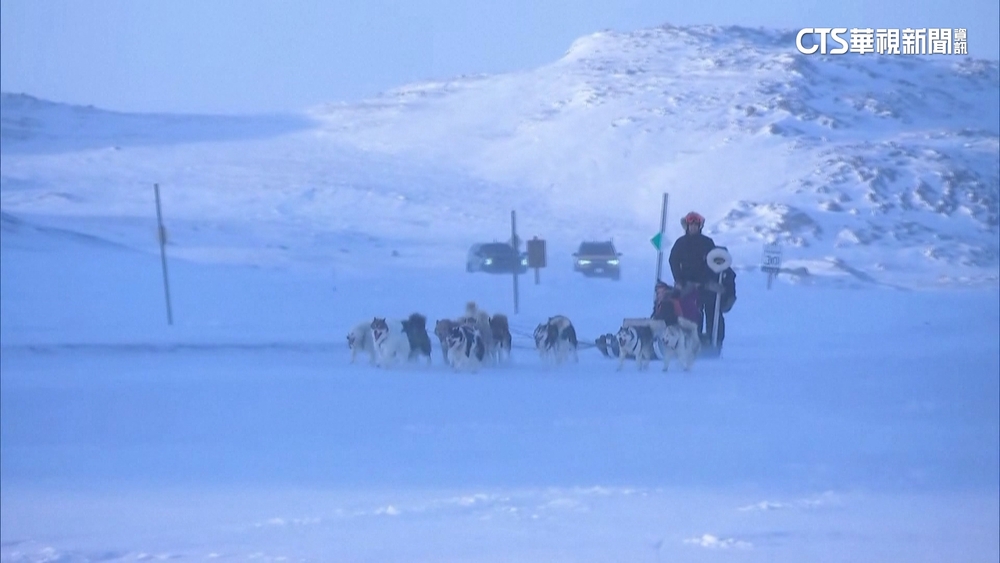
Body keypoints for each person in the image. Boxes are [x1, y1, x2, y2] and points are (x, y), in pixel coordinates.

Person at [668, 211, 717, 341]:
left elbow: (714, 262)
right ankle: (691, 340)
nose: (693, 227)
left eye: (696, 225)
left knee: (711, 312)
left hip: (705, 285)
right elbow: (673, 261)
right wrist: (678, 280)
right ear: (687, 226)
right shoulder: (680, 243)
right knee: (688, 312)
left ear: (700, 226)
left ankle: (711, 342)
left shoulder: (708, 243)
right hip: (686, 285)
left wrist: (707, 280)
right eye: (691, 225)